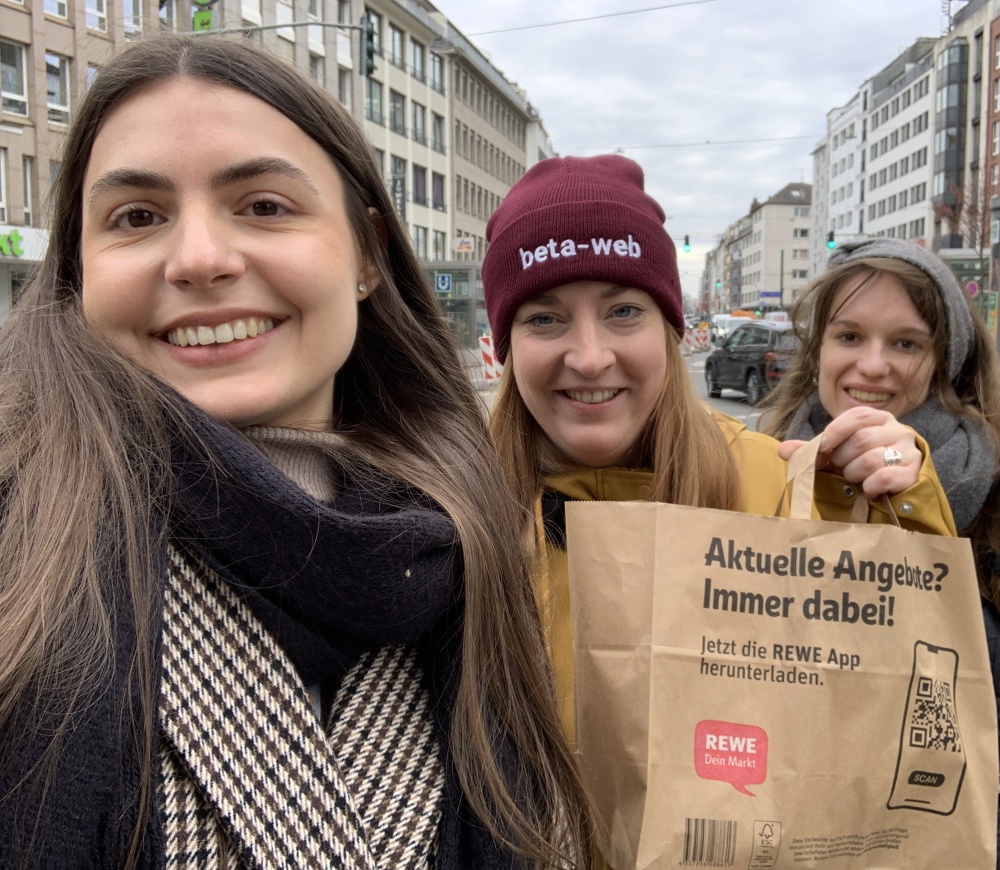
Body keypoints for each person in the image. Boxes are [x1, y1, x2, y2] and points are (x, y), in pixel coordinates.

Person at [0, 34, 595, 869]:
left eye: (265, 206)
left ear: (367, 257)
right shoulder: (20, 540)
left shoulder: (464, 538)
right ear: (78, 271)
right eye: (137, 217)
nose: (201, 259)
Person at [481, 155, 957, 749]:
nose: (590, 356)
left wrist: (903, 495)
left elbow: (913, 672)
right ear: (505, 347)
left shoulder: (778, 485)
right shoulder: (453, 514)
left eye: (624, 312)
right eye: (544, 318)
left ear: (671, 330)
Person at [764, 237, 1000, 868]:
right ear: (818, 347)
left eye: (906, 343)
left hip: (963, 844)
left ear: (944, 360)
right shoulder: (758, 471)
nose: (873, 366)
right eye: (849, 336)